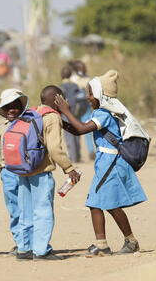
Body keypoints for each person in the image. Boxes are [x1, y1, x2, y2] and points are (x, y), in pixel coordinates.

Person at [55, 70, 146, 257]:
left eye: (90, 93)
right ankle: (105, 244)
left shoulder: (104, 114)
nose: (88, 98)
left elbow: (80, 129)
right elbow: (77, 130)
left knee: (101, 202)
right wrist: (61, 120)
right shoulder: (100, 113)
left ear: (99, 95)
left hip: (112, 162)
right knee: (100, 203)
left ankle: (128, 241)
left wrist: (66, 111)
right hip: (106, 162)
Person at [15, 86, 80, 261]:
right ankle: (41, 250)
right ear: (58, 99)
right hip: (41, 171)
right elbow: (54, 149)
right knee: (43, 211)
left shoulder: (31, 112)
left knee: (25, 210)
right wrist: (69, 168)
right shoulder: (52, 117)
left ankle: (24, 249)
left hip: (23, 169)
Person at [0, 89, 28, 255]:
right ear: (3, 110)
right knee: (14, 209)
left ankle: (28, 242)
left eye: (15, 106)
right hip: (8, 173)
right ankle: (20, 242)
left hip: (26, 172)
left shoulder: (28, 126)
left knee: (27, 207)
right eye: (8, 107)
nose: (12, 110)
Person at [69, 60, 95, 160]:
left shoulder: (72, 79)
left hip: (78, 107)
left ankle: (78, 153)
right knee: (86, 128)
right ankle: (89, 151)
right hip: (84, 105)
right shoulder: (88, 79)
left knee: (78, 128)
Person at [59, 64, 82, 163]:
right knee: (77, 133)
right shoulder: (75, 85)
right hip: (75, 112)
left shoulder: (60, 87)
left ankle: (73, 157)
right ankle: (78, 155)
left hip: (65, 113)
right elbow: (81, 98)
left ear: (61, 75)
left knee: (68, 134)